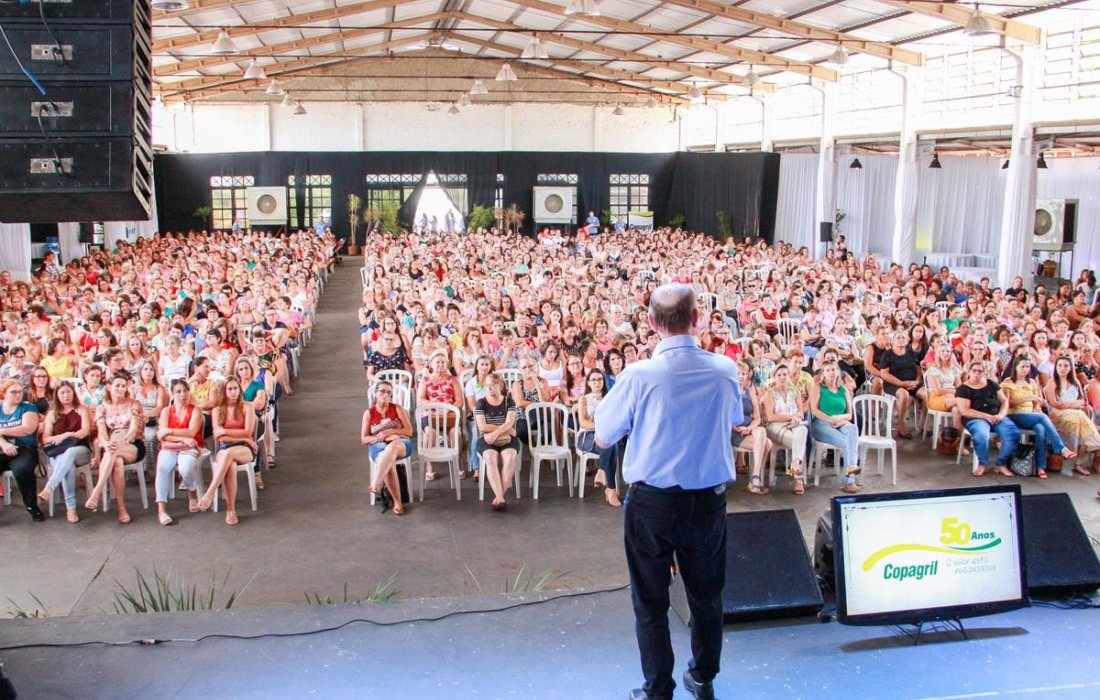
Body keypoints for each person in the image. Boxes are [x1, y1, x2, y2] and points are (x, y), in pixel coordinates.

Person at [594, 284, 742, 700]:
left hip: (652, 505)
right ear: (697, 319)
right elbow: (734, 416)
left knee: (651, 602)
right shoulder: (724, 370)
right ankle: (703, 677)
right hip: (708, 502)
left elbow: (604, 435)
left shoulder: (639, 375)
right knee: (707, 597)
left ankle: (658, 690)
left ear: (651, 323)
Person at [1001, 355, 1075, 479]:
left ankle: (1041, 466)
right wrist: (1027, 398)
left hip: (1030, 415)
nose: (1025, 369)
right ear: (1016, 367)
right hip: (1013, 415)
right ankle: (1061, 448)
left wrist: (1038, 405)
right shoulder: (1008, 382)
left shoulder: (1032, 382)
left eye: (1027, 366)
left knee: (1040, 430)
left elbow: (1035, 404)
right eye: (1023, 366)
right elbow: (1006, 403)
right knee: (1042, 417)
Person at [198, 377, 258, 525]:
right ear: (224, 392)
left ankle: (210, 492)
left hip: (244, 448)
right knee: (229, 464)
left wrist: (227, 432)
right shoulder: (217, 410)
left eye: (236, 388)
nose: (233, 392)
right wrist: (239, 436)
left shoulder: (247, 407)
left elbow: (248, 431)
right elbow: (218, 436)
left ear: (239, 390)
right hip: (225, 447)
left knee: (229, 454)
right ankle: (230, 510)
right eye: (230, 389)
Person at [86, 371, 145, 523]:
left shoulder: (134, 404)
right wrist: (105, 443)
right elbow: (102, 433)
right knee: (116, 461)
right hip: (112, 443)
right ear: (109, 386)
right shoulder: (102, 407)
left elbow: (133, 431)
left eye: (123, 386)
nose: (120, 389)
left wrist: (118, 443)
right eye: (117, 385)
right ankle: (122, 508)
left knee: (112, 450)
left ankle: (97, 491)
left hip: (132, 443)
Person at [38, 381, 92, 523]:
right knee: (68, 464)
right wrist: (62, 436)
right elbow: (46, 439)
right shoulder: (52, 414)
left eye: (68, 392)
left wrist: (69, 436)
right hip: (57, 452)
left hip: (80, 449)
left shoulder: (81, 410)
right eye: (62, 392)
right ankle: (71, 508)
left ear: (73, 393)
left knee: (70, 453)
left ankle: (50, 487)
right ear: (57, 395)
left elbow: (85, 431)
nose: (66, 395)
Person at [154, 379, 204, 525]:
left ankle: (192, 490)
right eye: (179, 391)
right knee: (162, 467)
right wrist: (181, 437)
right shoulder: (165, 411)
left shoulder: (195, 410)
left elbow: (192, 431)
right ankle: (161, 509)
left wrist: (170, 430)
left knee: (185, 468)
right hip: (170, 446)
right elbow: (162, 435)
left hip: (190, 447)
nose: (183, 394)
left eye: (185, 390)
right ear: (172, 393)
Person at [956, 362, 1019, 477]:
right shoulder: (963, 389)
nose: (977, 373)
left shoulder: (991, 384)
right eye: (974, 370)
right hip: (975, 417)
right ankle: (982, 463)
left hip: (995, 415)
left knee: (1013, 434)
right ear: (969, 372)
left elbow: (1004, 401)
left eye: (980, 371)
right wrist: (986, 416)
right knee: (981, 435)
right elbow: (964, 410)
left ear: (984, 372)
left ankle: (1001, 463)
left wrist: (1001, 414)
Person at [361, 380, 414, 516]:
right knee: (387, 460)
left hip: (400, 443)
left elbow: (408, 431)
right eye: (382, 391)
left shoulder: (397, 408)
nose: (385, 394)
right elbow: (364, 438)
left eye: (389, 392)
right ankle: (397, 503)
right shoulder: (369, 413)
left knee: (392, 449)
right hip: (378, 444)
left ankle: (377, 483)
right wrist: (384, 438)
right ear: (376, 394)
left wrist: (390, 432)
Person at [808, 360, 861, 492]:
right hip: (821, 423)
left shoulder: (843, 390)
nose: (832, 372)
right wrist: (830, 419)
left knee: (852, 429)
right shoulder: (818, 387)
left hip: (840, 422)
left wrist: (840, 418)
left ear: (838, 372)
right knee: (850, 443)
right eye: (828, 370)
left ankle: (850, 472)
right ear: (823, 374)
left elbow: (849, 414)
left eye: (834, 369)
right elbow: (814, 410)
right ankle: (850, 478)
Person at [474, 373, 520, 511]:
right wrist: (506, 429)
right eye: (487, 386)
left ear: (500, 386)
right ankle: (500, 497)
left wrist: (496, 432)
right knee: (490, 458)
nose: (489, 388)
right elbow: (482, 426)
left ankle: (499, 497)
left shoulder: (509, 402)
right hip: (486, 438)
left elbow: (510, 422)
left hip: (505, 439)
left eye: (492, 386)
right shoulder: (481, 403)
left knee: (510, 458)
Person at [0, 379, 44, 521]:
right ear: (4, 394)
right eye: (13, 392)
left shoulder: (28, 407)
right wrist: (4, 443)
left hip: (24, 447)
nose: (18, 395)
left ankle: (31, 505)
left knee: (22, 469)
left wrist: (1, 430)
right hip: (3, 447)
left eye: (20, 391)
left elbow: (27, 429)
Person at [762, 364, 809, 495]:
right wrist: (791, 417)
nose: (782, 377)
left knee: (802, 431)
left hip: (794, 426)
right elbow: (770, 417)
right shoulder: (770, 393)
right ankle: (798, 480)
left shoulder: (796, 392)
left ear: (789, 376)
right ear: (774, 377)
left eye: (785, 374)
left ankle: (794, 464)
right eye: (779, 375)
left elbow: (800, 412)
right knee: (799, 441)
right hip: (774, 427)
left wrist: (798, 417)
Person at [732, 360, 771, 495]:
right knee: (767, 443)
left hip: (750, 429)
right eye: (738, 374)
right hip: (734, 430)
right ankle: (755, 479)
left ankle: (755, 477)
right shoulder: (729, 391)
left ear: (747, 375)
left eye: (743, 374)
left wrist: (749, 428)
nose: (741, 377)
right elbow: (722, 416)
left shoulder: (750, 391)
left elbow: (757, 417)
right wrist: (736, 428)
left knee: (760, 430)